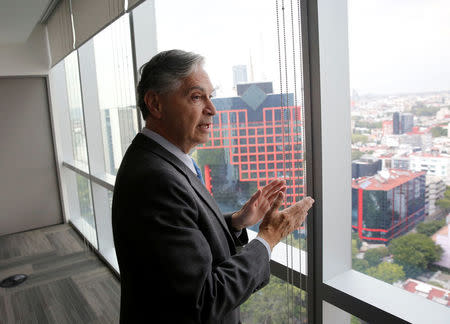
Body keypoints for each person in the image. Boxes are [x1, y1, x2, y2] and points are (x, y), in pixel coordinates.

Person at [112, 49, 314, 324]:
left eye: (211, 96)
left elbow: (181, 235)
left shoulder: (160, 161)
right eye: (197, 97)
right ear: (155, 104)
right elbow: (203, 300)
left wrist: (236, 222)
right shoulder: (155, 179)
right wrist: (268, 237)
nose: (212, 109)